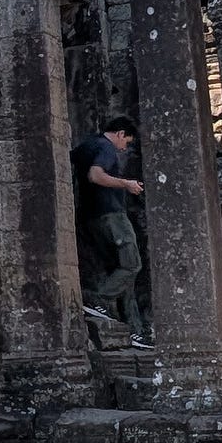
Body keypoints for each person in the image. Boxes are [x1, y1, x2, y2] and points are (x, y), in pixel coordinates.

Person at [71, 114, 144, 331]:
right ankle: (97, 299)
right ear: (120, 134)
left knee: (121, 270)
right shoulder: (106, 147)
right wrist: (126, 184)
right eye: (126, 143)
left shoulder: (86, 146)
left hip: (90, 218)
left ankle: (134, 329)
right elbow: (95, 175)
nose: (124, 149)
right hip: (111, 214)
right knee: (132, 264)